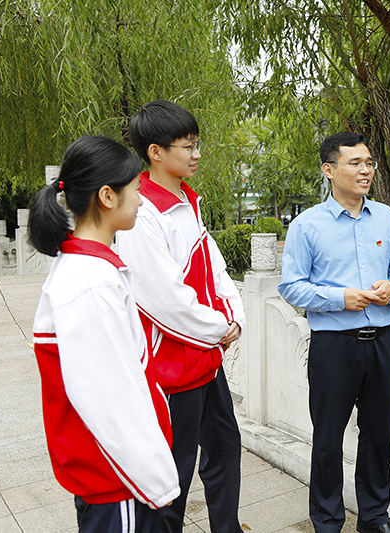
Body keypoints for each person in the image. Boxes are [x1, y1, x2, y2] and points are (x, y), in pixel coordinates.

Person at [30, 135, 180, 532]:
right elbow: (108, 400)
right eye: (136, 189)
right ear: (108, 197)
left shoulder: (91, 270)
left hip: (117, 478)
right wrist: (157, 481)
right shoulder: (90, 282)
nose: (142, 201)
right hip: (117, 482)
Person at [116, 100, 246, 533]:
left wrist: (235, 315)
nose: (197, 154)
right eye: (187, 146)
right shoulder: (142, 211)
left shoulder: (187, 199)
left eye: (196, 144)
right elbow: (163, 298)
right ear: (156, 152)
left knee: (225, 447)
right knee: (174, 468)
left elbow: (215, 267)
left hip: (206, 357)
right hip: (172, 364)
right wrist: (218, 328)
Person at [278, 132, 390, 533]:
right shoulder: (307, 226)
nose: (365, 170)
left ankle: (374, 518)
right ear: (329, 169)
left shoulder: (386, 217)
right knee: (327, 439)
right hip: (334, 348)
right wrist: (340, 298)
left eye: (369, 163)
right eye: (354, 163)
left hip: (383, 343)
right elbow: (291, 287)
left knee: (378, 435)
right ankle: (327, 522)